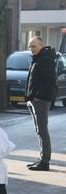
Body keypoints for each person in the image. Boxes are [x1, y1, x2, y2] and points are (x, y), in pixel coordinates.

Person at [25, 36, 57, 171]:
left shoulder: (45, 60)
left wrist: (38, 97)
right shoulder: (37, 59)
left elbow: (49, 82)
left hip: (40, 100)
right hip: (34, 100)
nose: (32, 49)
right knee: (40, 130)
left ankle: (45, 162)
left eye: (34, 46)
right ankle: (42, 158)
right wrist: (29, 97)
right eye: (30, 47)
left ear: (42, 46)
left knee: (42, 130)